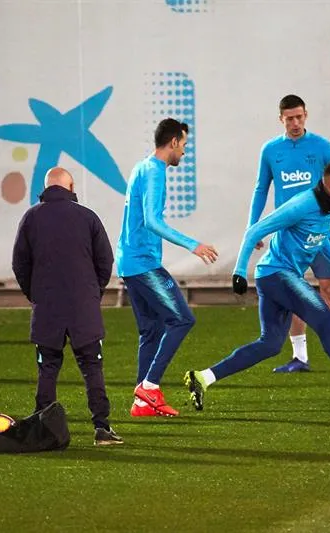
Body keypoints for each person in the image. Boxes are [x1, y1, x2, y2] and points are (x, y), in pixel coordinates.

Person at [184, 161, 330, 410]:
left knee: (270, 344)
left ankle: (202, 378)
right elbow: (254, 232)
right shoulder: (300, 205)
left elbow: (323, 236)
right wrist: (238, 272)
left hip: (281, 276)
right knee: (325, 318)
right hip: (277, 274)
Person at [116, 118, 218, 417]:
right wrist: (193, 245)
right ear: (173, 142)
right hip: (142, 262)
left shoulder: (141, 166)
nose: (185, 152)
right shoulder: (155, 172)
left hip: (129, 261)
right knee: (182, 319)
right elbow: (152, 221)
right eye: (184, 145)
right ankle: (149, 387)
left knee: (151, 330)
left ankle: (140, 404)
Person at [12, 167, 121, 446]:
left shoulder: (31, 218)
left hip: (47, 305)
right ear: (70, 186)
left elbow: (20, 264)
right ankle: (101, 428)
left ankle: (41, 428)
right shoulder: (87, 217)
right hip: (83, 306)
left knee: (47, 367)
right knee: (92, 367)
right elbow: (105, 262)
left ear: (46, 187)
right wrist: (91, 294)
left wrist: (35, 294)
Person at [248, 94, 330, 373]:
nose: (295, 123)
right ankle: (300, 357)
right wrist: (254, 226)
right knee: (293, 293)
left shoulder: (321, 147)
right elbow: (261, 189)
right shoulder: (271, 150)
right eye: (289, 118)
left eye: (299, 117)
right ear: (281, 119)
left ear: (306, 115)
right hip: (287, 236)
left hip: (319, 232)